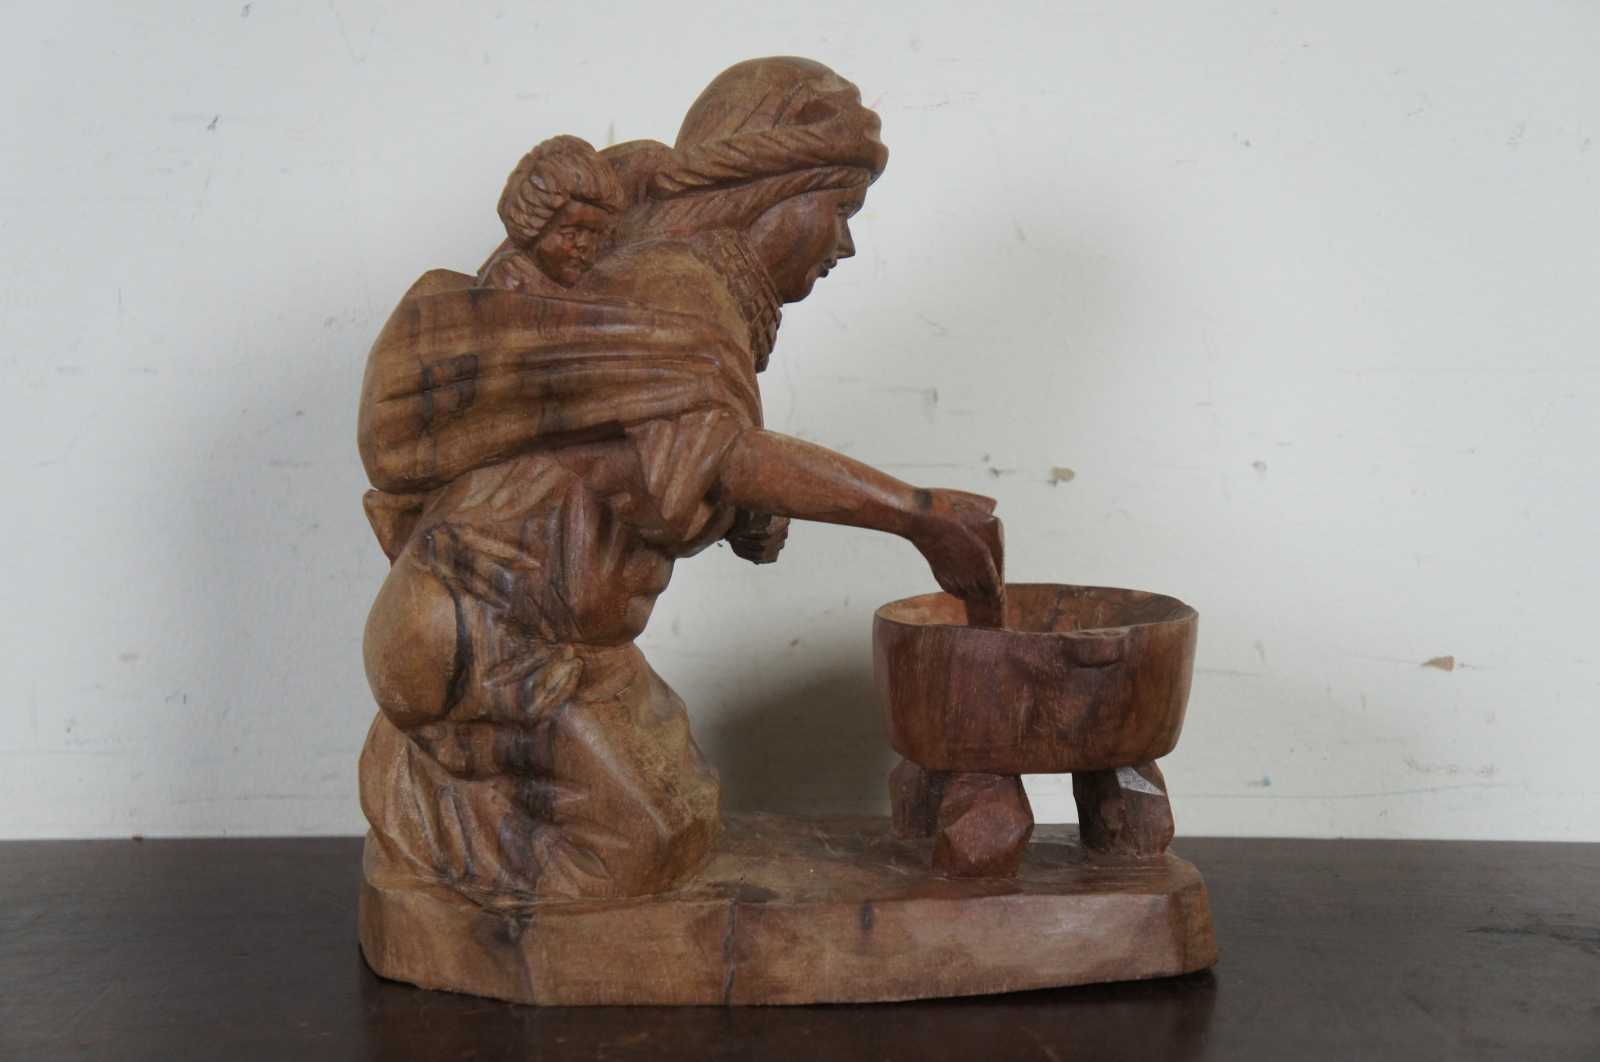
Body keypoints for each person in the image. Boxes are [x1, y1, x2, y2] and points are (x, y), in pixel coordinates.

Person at [355, 58, 1003, 903]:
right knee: (637, 847)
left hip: (566, 645)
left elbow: (652, 478)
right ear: (775, 191)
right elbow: (724, 455)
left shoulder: (684, 292)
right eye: (840, 209)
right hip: (479, 630)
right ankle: (427, 813)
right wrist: (916, 514)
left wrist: (737, 511)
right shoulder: (674, 290)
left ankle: (455, 802)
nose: (844, 245)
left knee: (686, 815)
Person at [475, 135, 624, 295]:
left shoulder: (580, 291)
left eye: (595, 235)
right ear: (532, 232)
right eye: (570, 234)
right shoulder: (509, 283)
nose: (584, 245)